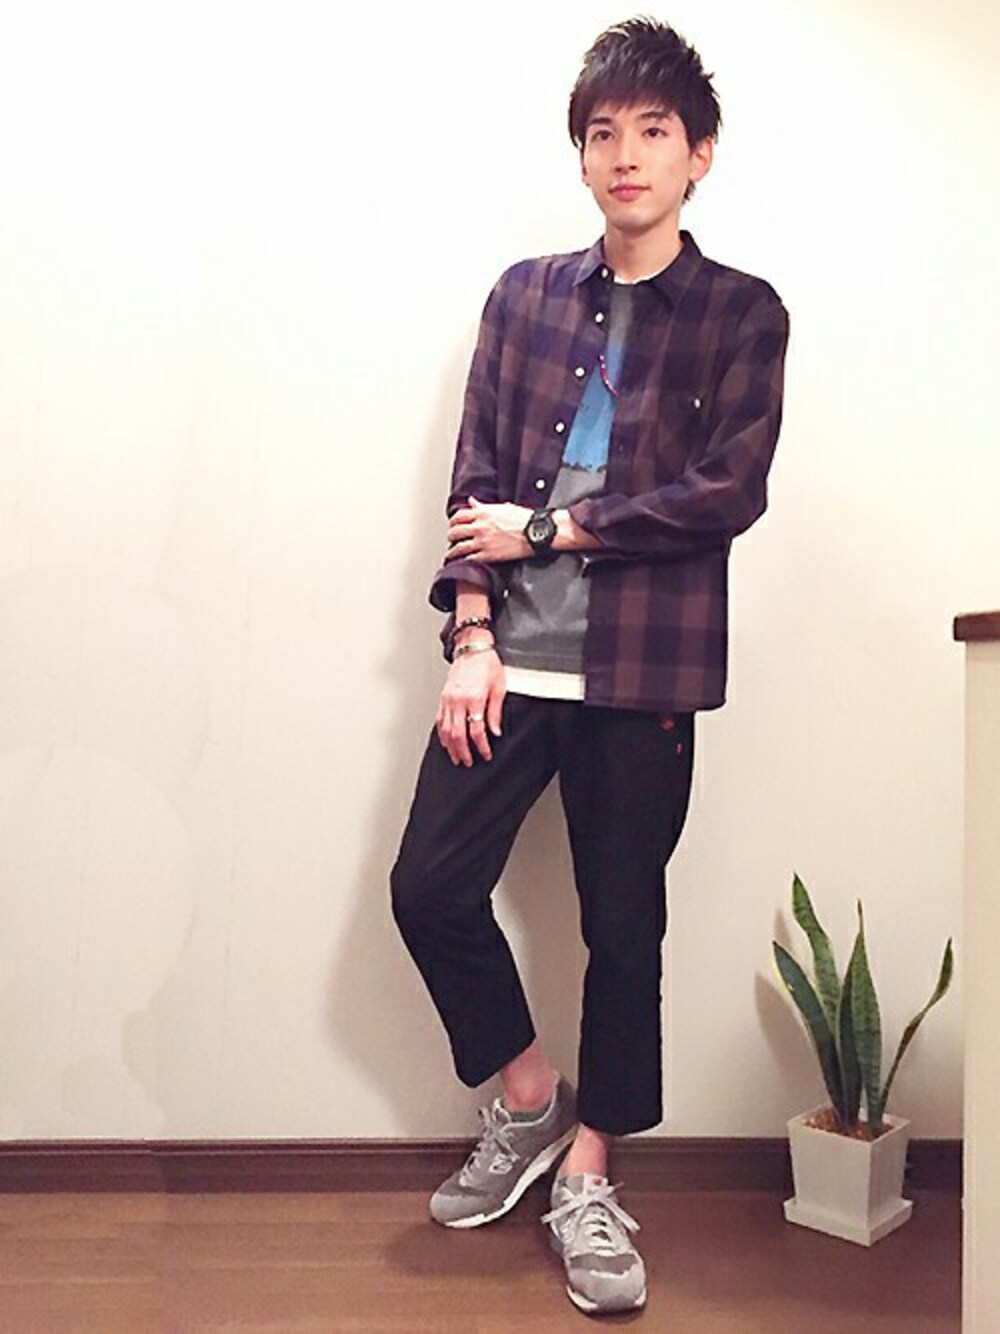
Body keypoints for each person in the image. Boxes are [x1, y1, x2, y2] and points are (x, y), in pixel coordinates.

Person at [390, 16, 789, 1318]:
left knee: (625, 932)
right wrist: (471, 634)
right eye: (603, 133)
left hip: (642, 680)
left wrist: (553, 531)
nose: (626, 155)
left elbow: (726, 492)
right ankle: (528, 1104)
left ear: (699, 153)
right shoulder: (524, 297)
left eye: (653, 132)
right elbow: (476, 480)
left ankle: (593, 1177)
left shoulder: (740, 314)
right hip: (509, 668)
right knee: (429, 887)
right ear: (581, 156)